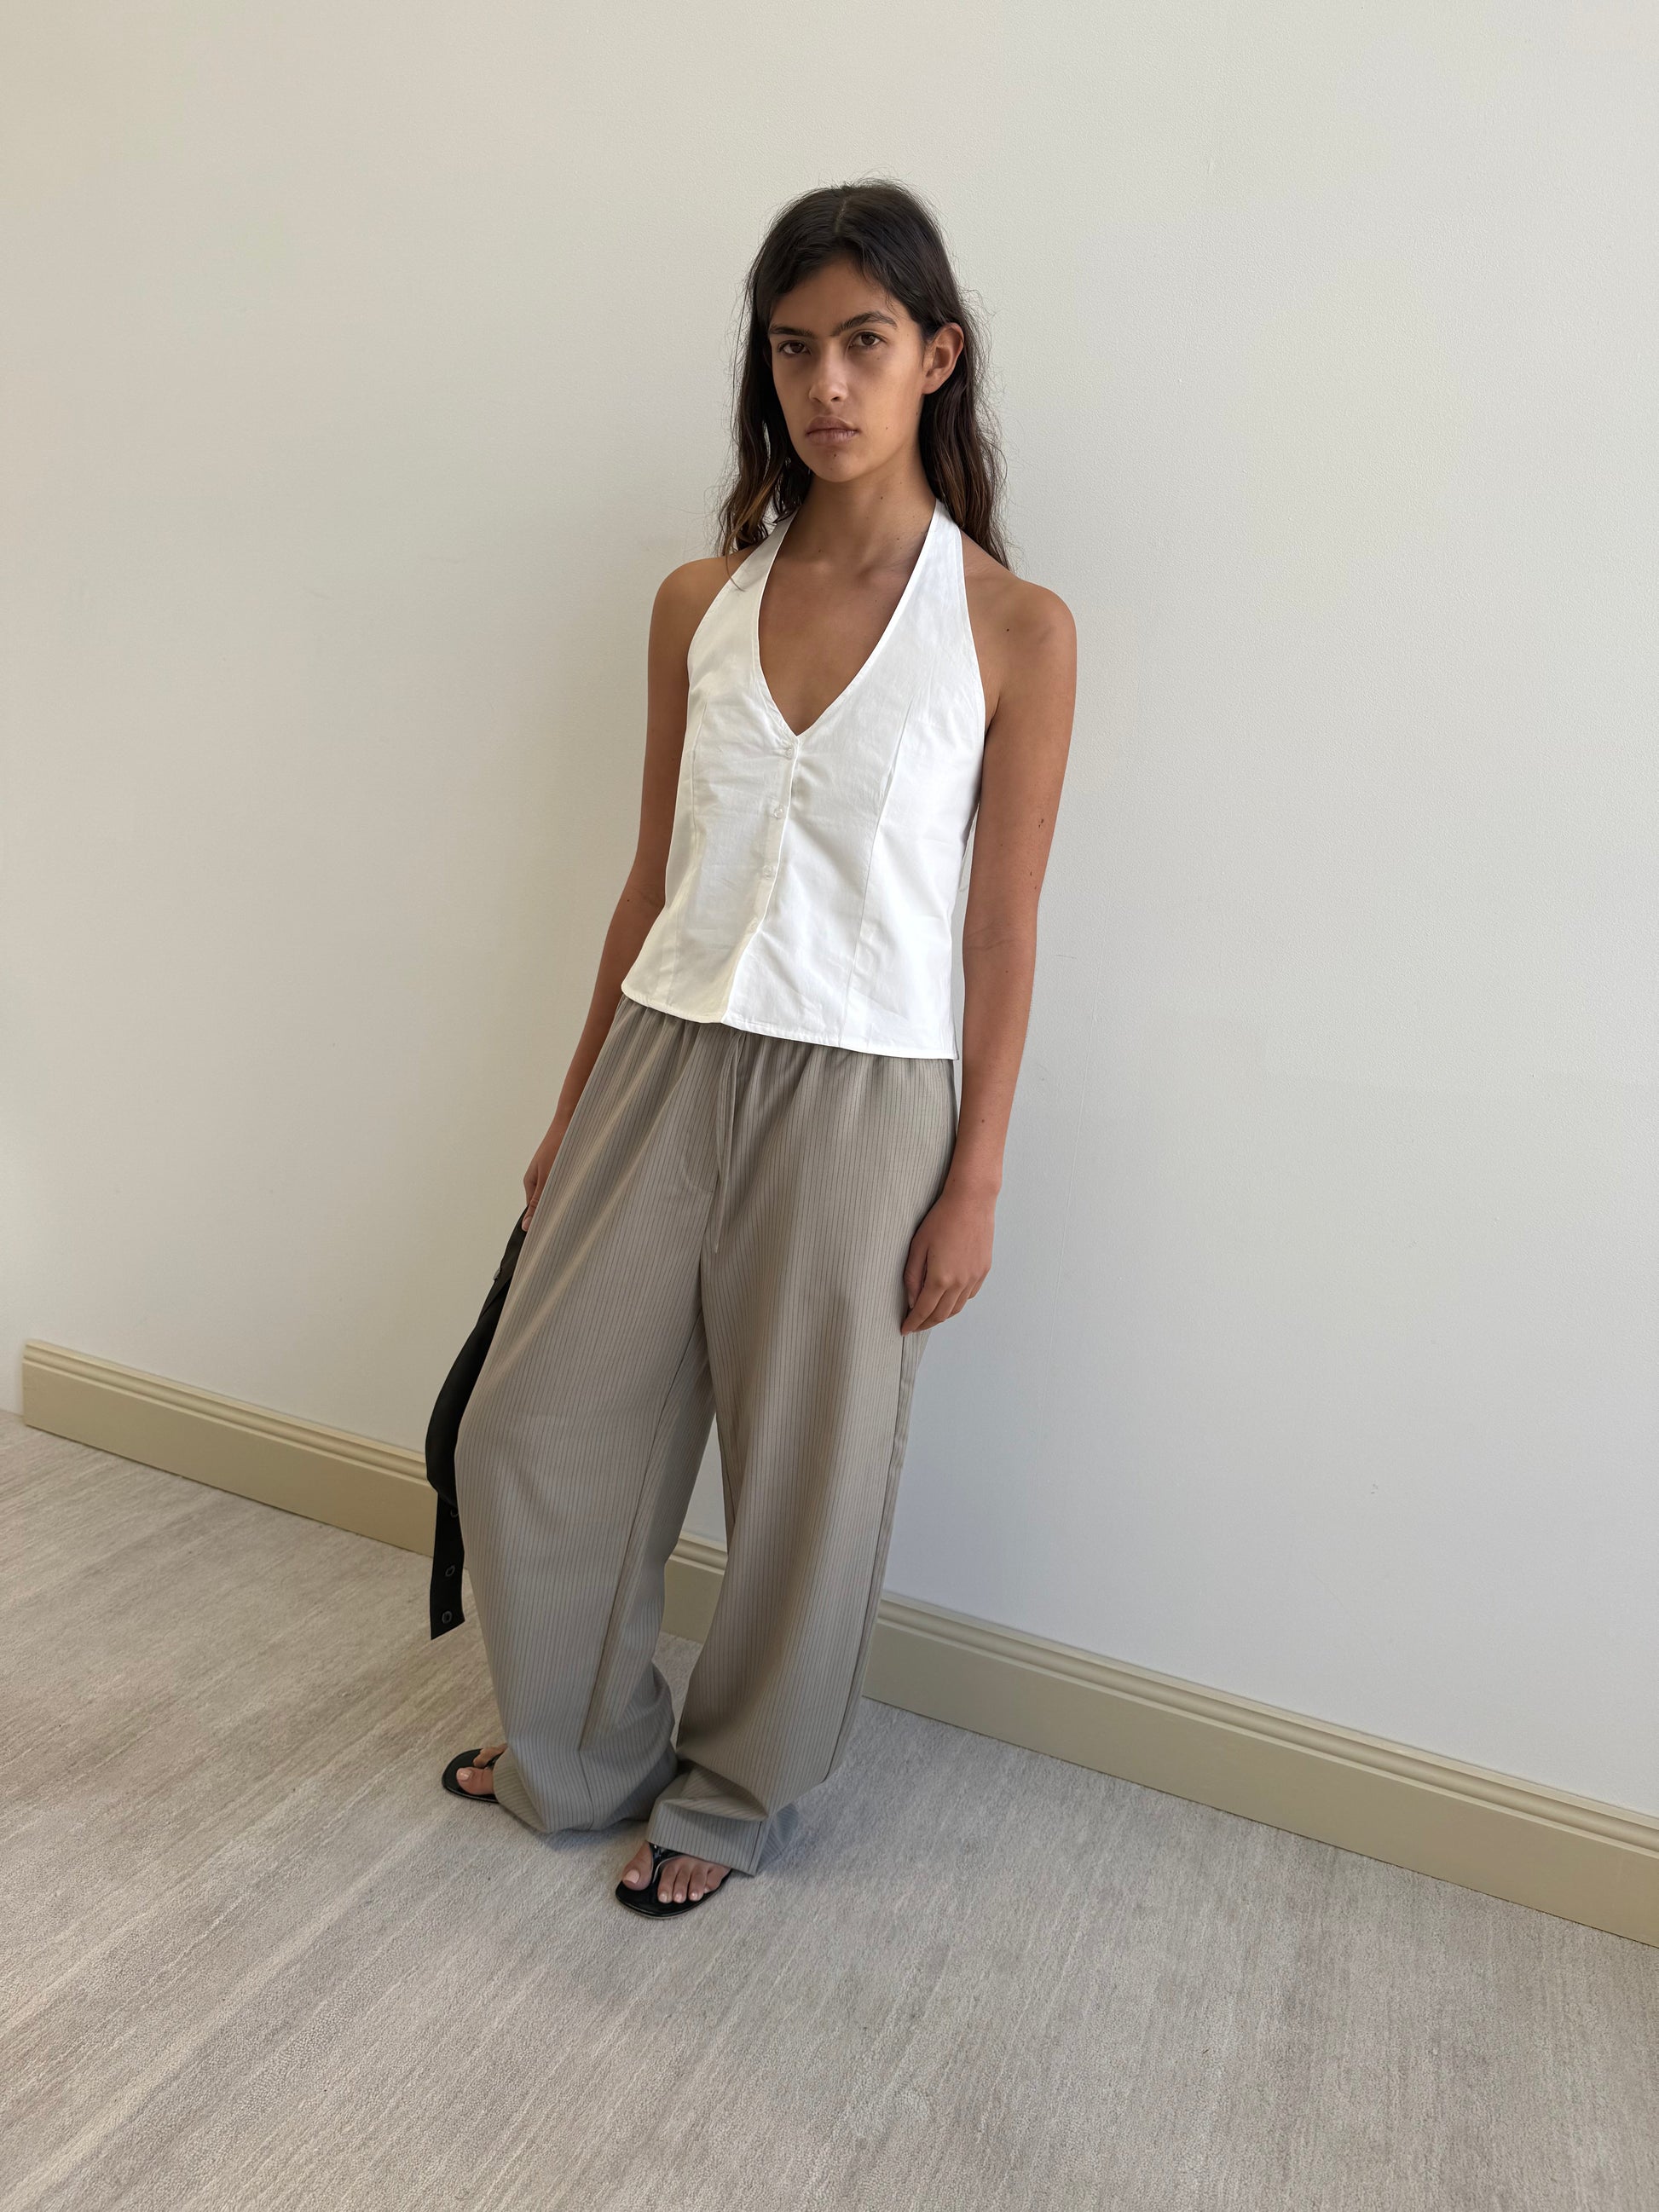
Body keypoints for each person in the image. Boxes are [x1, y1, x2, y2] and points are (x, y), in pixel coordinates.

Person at [442, 178, 1075, 1915]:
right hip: (666, 1049)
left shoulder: (1015, 632)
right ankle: (576, 1740)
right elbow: (651, 870)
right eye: (795, 348)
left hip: (873, 1091)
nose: (829, 384)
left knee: (803, 1479)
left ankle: (728, 1797)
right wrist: (573, 1106)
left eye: (865, 342)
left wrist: (979, 1175)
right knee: (530, 1427)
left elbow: (1002, 924)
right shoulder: (694, 602)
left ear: (935, 358)